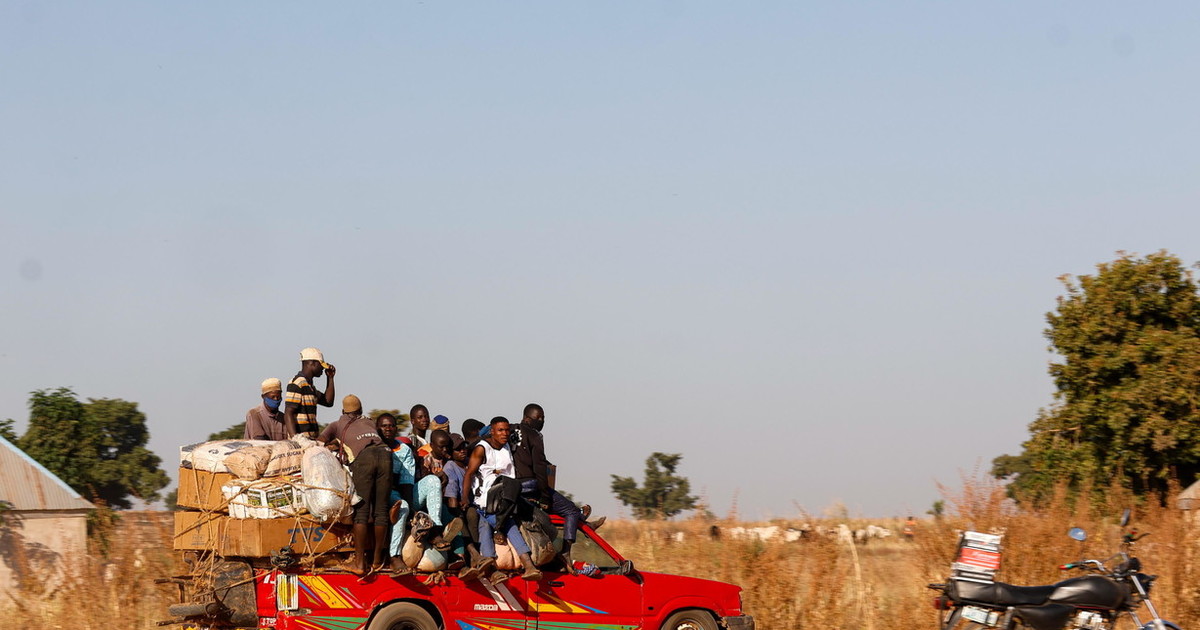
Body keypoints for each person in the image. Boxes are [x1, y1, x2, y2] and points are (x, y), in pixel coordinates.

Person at [461, 417, 542, 582]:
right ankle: (527, 564)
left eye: (506, 430)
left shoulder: (507, 449)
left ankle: (491, 567)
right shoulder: (481, 449)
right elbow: (469, 473)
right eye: (500, 430)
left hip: (506, 498)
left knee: (487, 524)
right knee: (507, 525)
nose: (504, 434)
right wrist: (464, 497)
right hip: (485, 499)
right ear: (492, 431)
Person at [317, 395, 389, 576]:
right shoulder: (369, 421)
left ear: (343, 411)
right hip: (385, 454)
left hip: (365, 459)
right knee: (381, 511)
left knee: (361, 513)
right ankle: (378, 560)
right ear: (361, 410)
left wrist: (333, 444)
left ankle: (359, 563)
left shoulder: (337, 424)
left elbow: (319, 443)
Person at [510, 403, 586, 571]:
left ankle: (583, 520)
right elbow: (539, 468)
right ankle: (566, 551)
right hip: (531, 485)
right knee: (570, 511)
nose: (543, 421)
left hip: (512, 488)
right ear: (528, 418)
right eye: (540, 418)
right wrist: (545, 496)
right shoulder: (535, 435)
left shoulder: (508, 430)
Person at [377, 413, 417, 574]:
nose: (388, 429)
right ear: (377, 428)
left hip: (392, 492)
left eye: (392, 426)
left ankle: (394, 556)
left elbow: (406, 480)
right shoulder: (371, 447)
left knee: (403, 507)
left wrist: (411, 511)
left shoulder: (404, 450)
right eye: (384, 426)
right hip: (372, 491)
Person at [284, 347, 336, 438]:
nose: (322, 369)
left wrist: (330, 378)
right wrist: (296, 439)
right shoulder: (297, 383)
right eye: (321, 365)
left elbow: (328, 402)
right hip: (302, 440)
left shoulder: (310, 386)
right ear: (312, 363)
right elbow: (289, 412)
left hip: (311, 438)